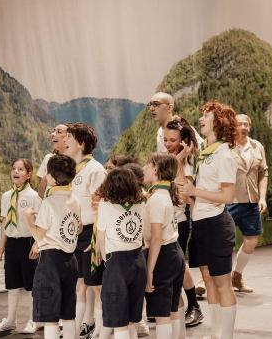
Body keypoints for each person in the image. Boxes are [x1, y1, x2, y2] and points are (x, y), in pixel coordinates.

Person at [179, 100, 239, 339]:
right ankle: (216, 334)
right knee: (208, 279)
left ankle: (226, 336)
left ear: (219, 121)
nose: (201, 119)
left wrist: (195, 192)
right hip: (201, 224)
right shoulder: (205, 152)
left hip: (216, 224)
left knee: (223, 282)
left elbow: (227, 195)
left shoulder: (224, 154)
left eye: (206, 115)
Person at [24, 154, 81, 339]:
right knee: (68, 312)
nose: (45, 176)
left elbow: (39, 236)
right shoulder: (75, 201)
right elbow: (77, 229)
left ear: (53, 178)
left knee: (50, 315)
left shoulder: (49, 203)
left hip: (50, 262)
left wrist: (28, 219)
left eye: (47, 173)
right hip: (70, 261)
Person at [63, 123, 108, 338]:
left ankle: (100, 329)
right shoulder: (71, 170)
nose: (65, 141)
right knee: (79, 284)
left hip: (92, 233)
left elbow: (102, 206)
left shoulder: (96, 169)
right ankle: (74, 329)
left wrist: (99, 240)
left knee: (97, 285)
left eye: (69, 138)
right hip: (75, 234)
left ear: (81, 143)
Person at [94, 167, 147, 339]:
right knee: (132, 319)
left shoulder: (105, 205)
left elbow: (101, 236)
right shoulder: (141, 203)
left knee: (118, 321)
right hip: (139, 261)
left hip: (116, 262)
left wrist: (105, 259)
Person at [162, 119, 205, 328]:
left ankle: (194, 306)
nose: (168, 143)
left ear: (183, 142)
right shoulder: (171, 159)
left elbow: (188, 195)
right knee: (176, 265)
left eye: (172, 140)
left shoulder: (184, 162)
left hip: (179, 220)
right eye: (165, 139)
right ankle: (177, 308)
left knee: (179, 265)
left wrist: (178, 161)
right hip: (167, 219)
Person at [0, 159, 42, 333]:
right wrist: (1, 248)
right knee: (12, 284)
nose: (16, 171)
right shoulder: (6, 196)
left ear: (28, 174)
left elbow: (41, 223)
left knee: (31, 285)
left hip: (29, 242)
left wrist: (37, 244)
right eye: (13, 168)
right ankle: (10, 320)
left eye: (21, 169)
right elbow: (5, 223)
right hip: (12, 244)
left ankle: (33, 320)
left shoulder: (34, 196)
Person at [143, 153, 186, 339]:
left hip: (163, 256)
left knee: (162, 314)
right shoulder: (163, 194)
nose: (143, 168)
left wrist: (149, 270)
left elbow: (156, 238)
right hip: (174, 252)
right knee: (172, 308)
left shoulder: (157, 199)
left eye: (147, 164)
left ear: (156, 168)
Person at [227, 114, 268, 293]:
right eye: (239, 124)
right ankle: (208, 280)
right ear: (233, 126)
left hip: (251, 201)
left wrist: (262, 197)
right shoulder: (225, 146)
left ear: (250, 127)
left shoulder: (257, 146)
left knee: (251, 240)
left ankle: (236, 277)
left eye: (246, 124)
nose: (243, 127)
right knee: (221, 242)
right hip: (229, 201)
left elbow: (263, 173)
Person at [37, 124, 69, 198]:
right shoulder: (48, 158)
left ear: (69, 137)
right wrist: (47, 177)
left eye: (59, 132)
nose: (52, 134)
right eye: (54, 131)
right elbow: (40, 193)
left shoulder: (75, 161)